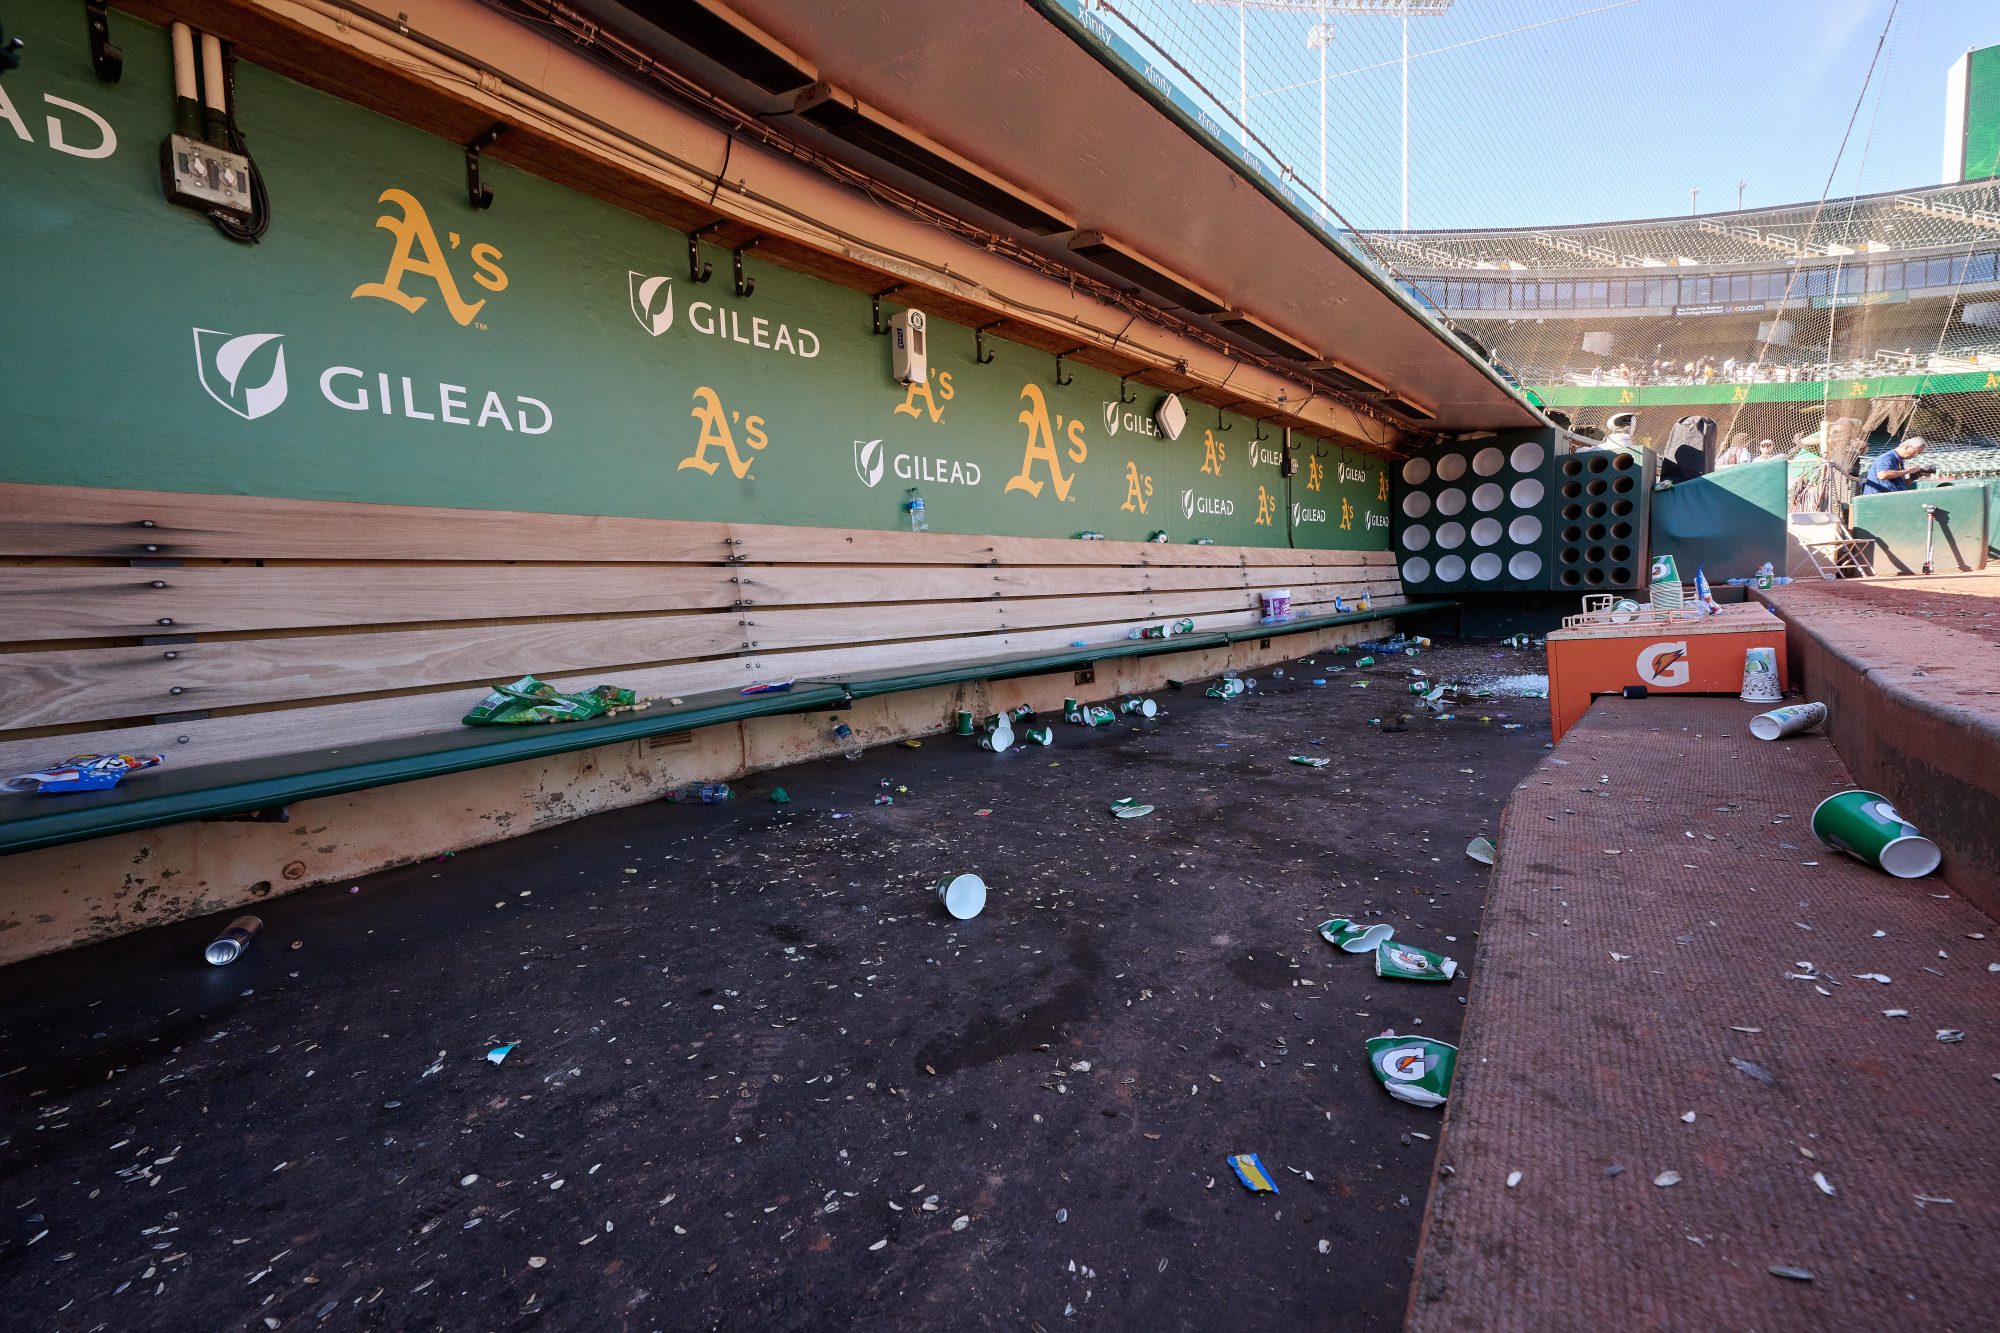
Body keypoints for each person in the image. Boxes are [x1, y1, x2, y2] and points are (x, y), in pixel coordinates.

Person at [1860, 438, 1930, 494]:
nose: (1915, 455)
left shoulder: (1899, 460)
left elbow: (1899, 484)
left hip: (1888, 498)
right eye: (1915, 452)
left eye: (1918, 453)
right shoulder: (1888, 457)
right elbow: (1882, 475)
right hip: (1877, 500)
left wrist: (1912, 478)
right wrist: (1908, 471)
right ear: (1906, 447)